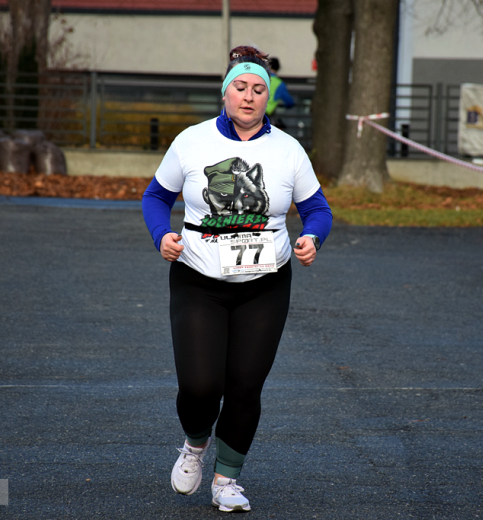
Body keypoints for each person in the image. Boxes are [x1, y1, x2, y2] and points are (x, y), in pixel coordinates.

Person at [142, 45, 332, 513]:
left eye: (259, 90)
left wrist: (312, 238)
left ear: (268, 98)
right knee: (201, 386)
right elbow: (154, 197)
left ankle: (227, 480)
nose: (249, 97)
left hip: (266, 283)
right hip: (199, 279)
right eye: (241, 88)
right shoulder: (192, 141)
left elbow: (317, 210)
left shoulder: (288, 150)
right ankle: (194, 444)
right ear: (225, 93)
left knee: (246, 385)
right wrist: (161, 234)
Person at [265, 57, 295, 129]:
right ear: (278, 68)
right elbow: (289, 102)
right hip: (267, 115)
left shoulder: (260, 78)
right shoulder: (279, 84)